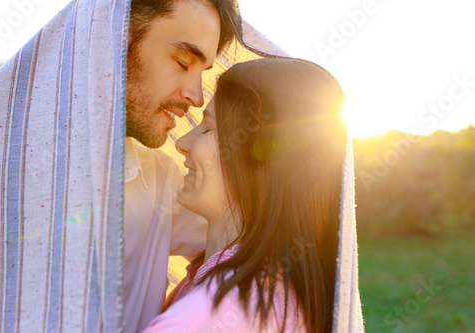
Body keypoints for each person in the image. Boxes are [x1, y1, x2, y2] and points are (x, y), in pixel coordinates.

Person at [143, 58, 348, 332]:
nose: (182, 143)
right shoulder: (277, 288)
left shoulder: (213, 315)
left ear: (263, 159)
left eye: (208, 129)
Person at [122, 0, 241, 332]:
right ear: (116, 42)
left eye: (202, 73)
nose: (196, 96)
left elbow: (256, 234)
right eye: (183, 62)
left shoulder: (161, 184)